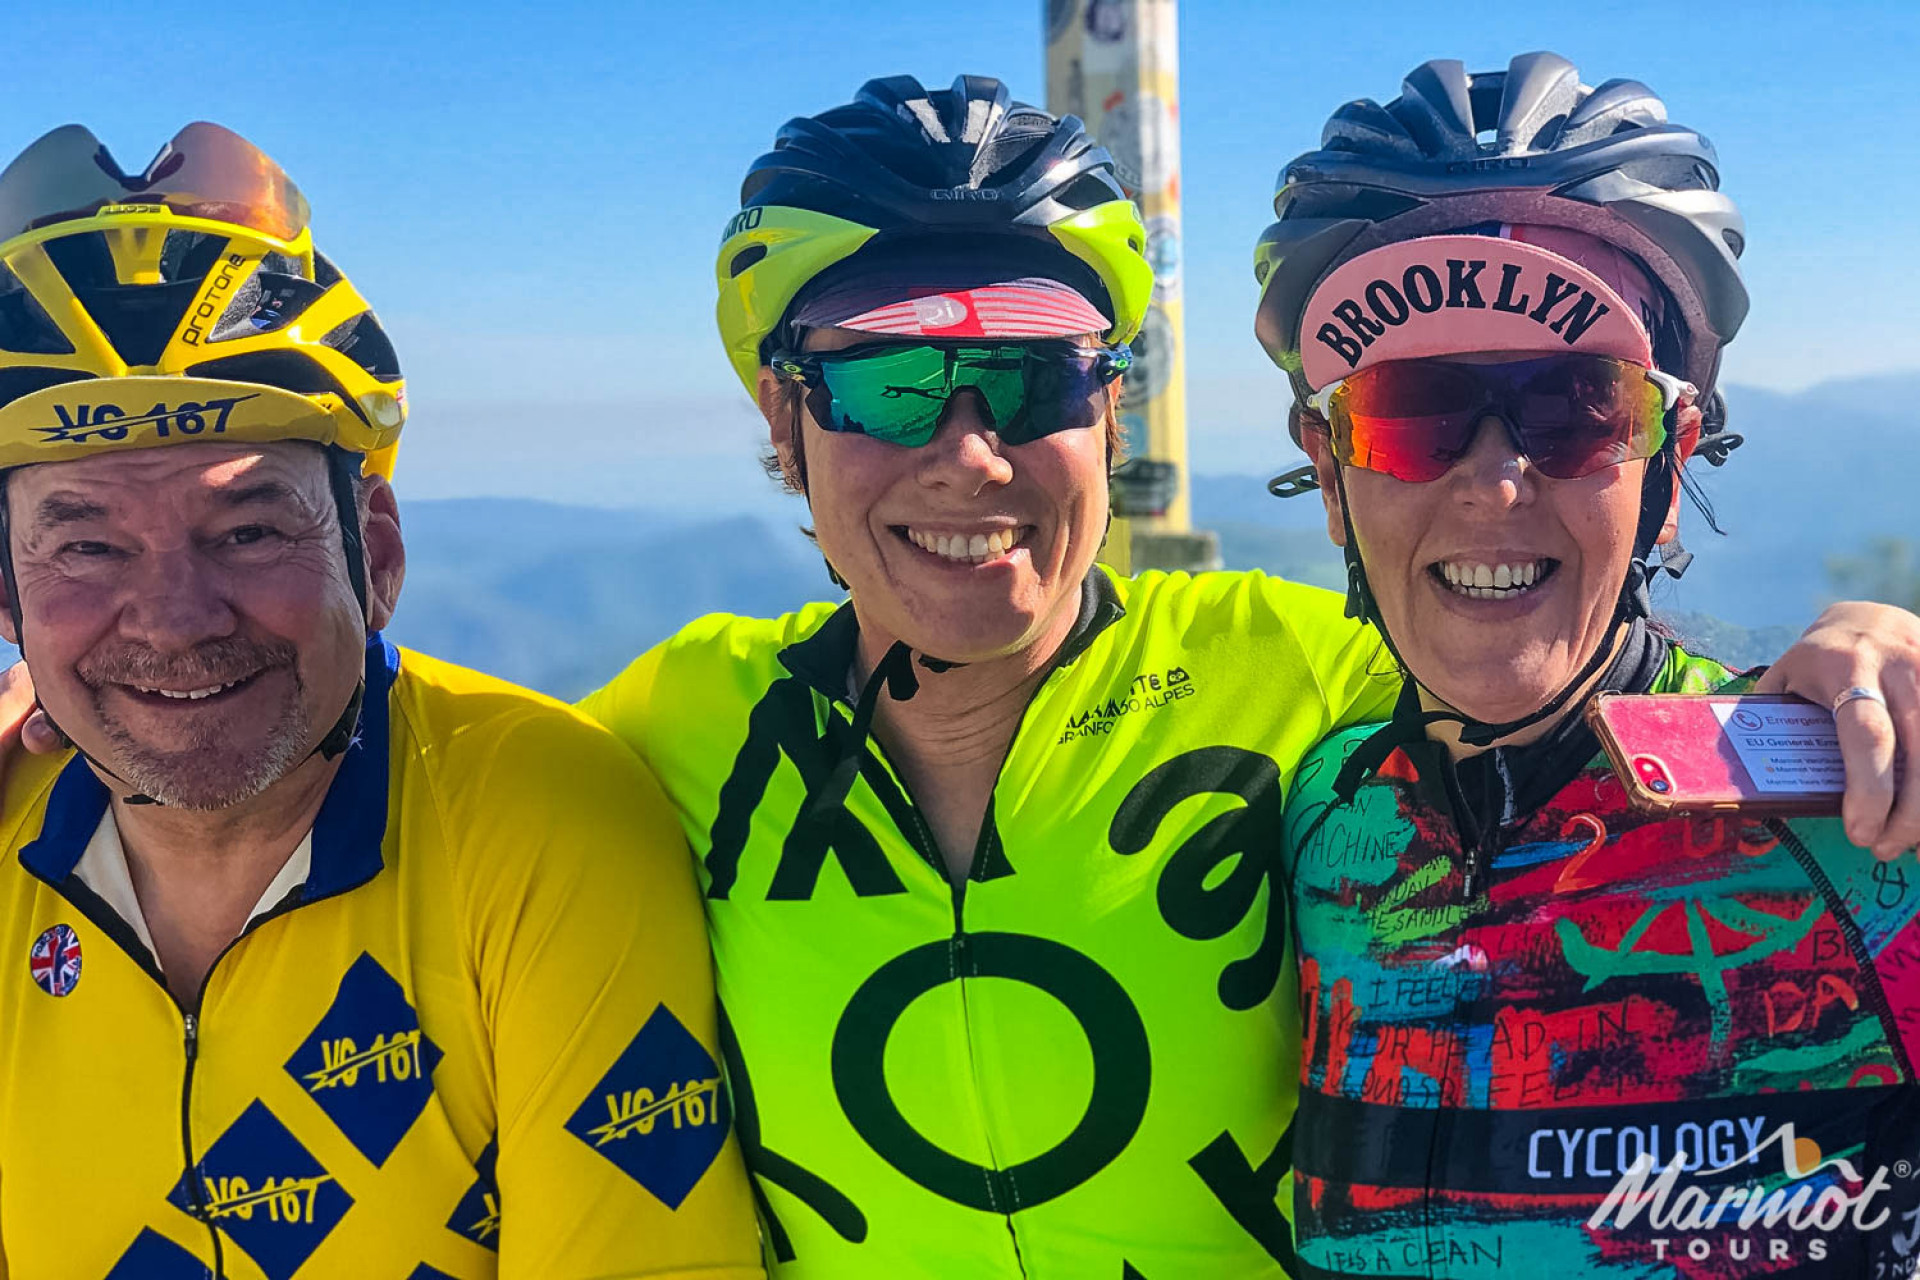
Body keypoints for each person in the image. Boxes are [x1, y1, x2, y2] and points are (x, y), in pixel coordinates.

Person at [574, 75, 1920, 1278]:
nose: (972, 453)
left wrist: (1878, 650)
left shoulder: (1844, 811)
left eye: (1578, 411)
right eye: (889, 389)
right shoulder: (679, 723)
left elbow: (1592, 697)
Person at [0, 124, 761, 1278]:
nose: (174, 617)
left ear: (380, 556)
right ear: (8, 598)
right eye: (88, 546)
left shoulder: (539, 818)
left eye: (249, 529)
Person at [1259, 54, 1920, 1277]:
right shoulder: (1311, 814)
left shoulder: (1865, 806)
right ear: (1331, 473)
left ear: (1673, 468)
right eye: (1412, 413)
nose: (1496, 480)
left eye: (1577, 409)